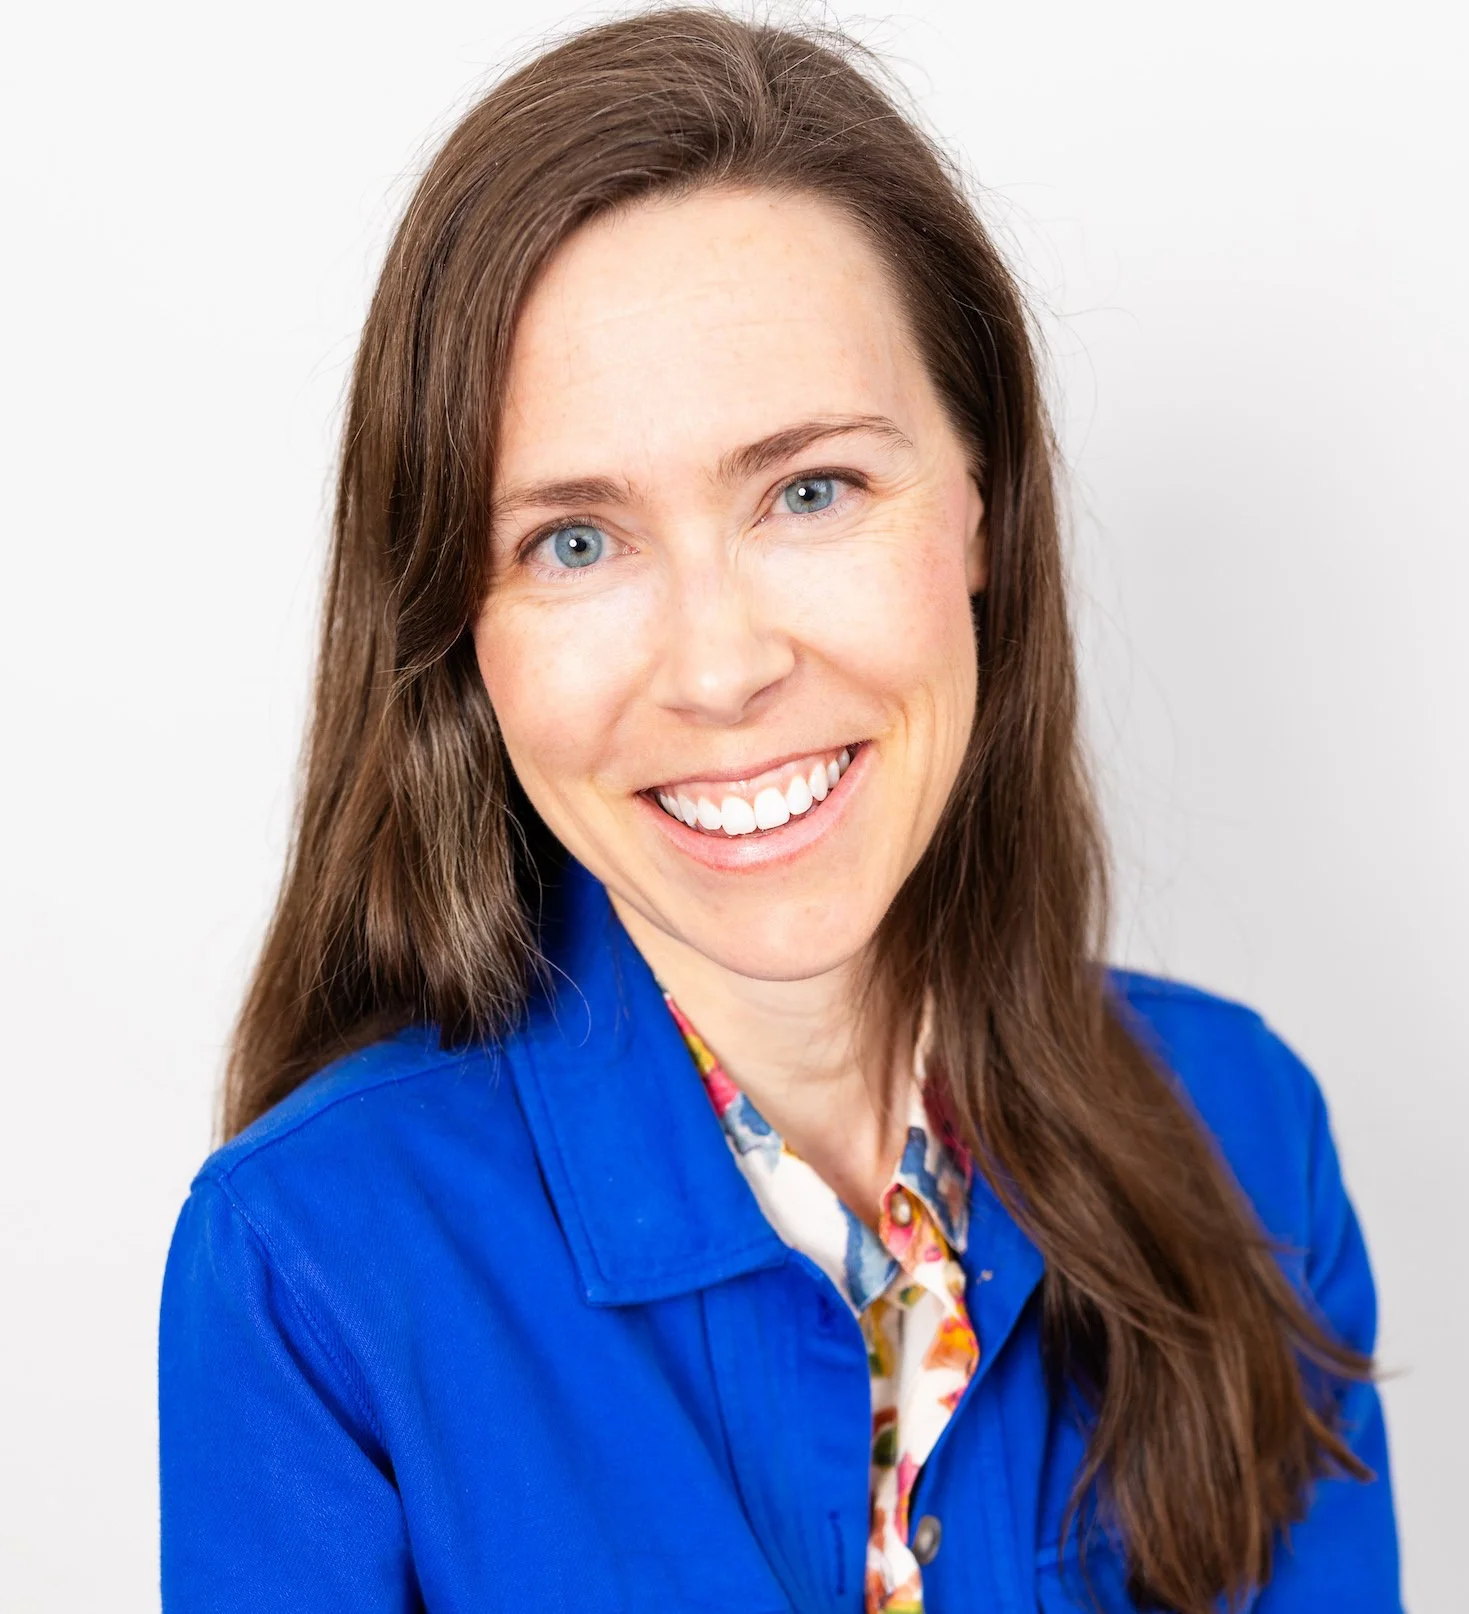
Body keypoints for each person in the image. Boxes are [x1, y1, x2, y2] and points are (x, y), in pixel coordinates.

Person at [157, 9, 1400, 1611]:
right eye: (574, 542)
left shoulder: (1246, 1138)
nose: (724, 666)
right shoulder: (309, 1266)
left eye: (809, 490)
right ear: (460, 630)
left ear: (980, 510)